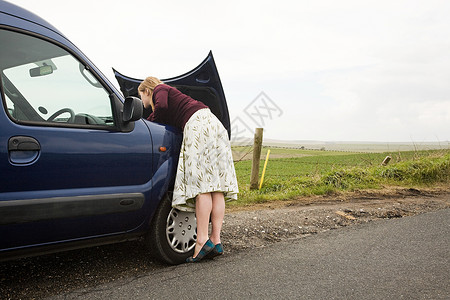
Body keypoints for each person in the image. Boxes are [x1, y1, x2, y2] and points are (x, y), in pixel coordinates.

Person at [138, 77, 238, 262]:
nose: (143, 103)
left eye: (141, 97)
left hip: (199, 126)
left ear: (147, 91)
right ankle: (216, 240)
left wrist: (146, 123)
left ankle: (201, 241)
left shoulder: (160, 89)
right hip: (214, 124)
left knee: (201, 186)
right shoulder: (179, 98)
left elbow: (162, 108)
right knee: (216, 187)